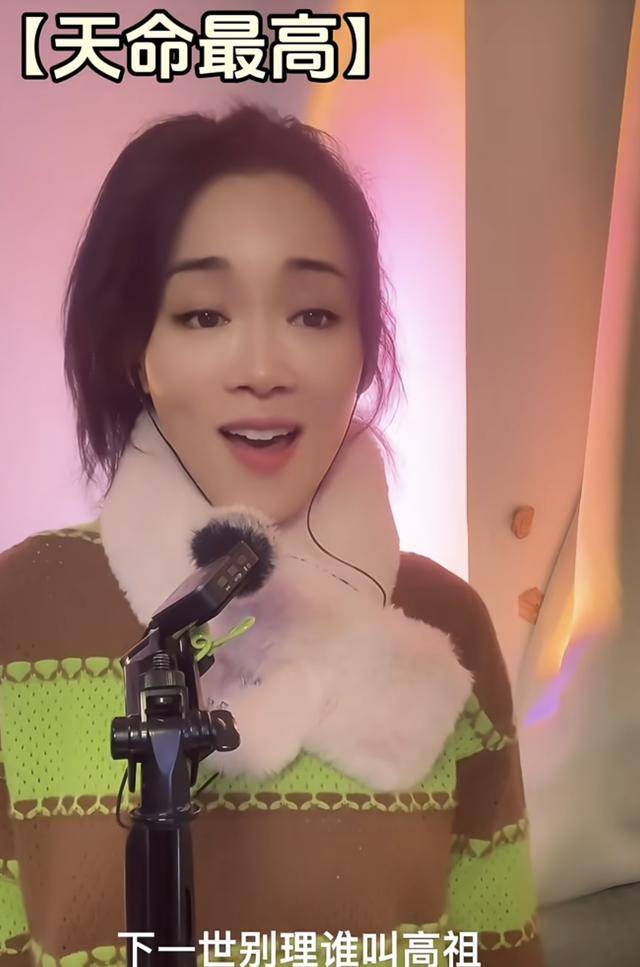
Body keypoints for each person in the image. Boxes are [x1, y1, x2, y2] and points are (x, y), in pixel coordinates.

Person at [0, 103, 545, 966]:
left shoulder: (447, 621)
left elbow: (495, 945)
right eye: (203, 316)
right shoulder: (21, 610)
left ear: (363, 347)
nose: (262, 369)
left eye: (314, 315)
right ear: (135, 349)